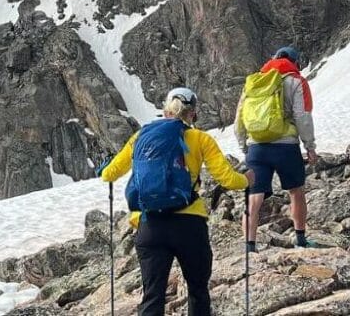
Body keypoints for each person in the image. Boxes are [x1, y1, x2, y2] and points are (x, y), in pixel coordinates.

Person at [100, 87, 252, 316]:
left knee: (152, 296)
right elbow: (228, 179)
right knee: (198, 290)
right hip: (189, 225)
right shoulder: (200, 138)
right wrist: (247, 180)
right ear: (193, 114)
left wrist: (105, 170)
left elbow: (109, 174)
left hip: (150, 225)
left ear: (165, 110)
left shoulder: (141, 136)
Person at [235, 46, 317, 252]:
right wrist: (310, 146)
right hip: (286, 146)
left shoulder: (253, 82)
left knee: (254, 196)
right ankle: (300, 239)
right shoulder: (297, 81)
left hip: (256, 147)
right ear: (295, 62)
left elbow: (239, 118)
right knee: (296, 190)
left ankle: (249, 246)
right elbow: (302, 117)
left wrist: (243, 145)